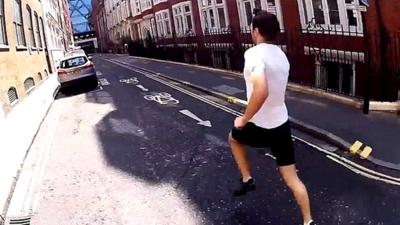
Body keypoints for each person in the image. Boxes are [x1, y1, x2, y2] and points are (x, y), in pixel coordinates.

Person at [228, 11, 314, 225]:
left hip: (260, 125)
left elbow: (262, 91)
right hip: (281, 124)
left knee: (233, 137)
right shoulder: (281, 55)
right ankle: (308, 221)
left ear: (255, 31)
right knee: (292, 178)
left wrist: (244, 119)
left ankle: (247, 179)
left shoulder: (254, 54)